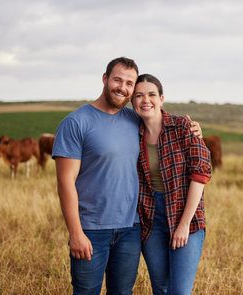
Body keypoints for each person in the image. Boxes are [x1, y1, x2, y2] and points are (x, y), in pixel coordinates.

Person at [52, 57, 201, 295]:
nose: (122, 87)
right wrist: (76, 233)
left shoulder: (134, 121)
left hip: (131, 228)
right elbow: (64, 182)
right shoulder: (75, 123)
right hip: (91, 229)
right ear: (105, 79)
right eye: (117, 80)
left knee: (122, 292)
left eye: (129, 83)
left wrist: (191, 127)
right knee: (86, 291)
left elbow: (159, 116)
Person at [132, 74, 212, 295]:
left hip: (185, 214)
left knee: (178, 291)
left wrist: (184, 223)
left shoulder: (182, 127)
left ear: (161, 98)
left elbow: (200, 173)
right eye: (139, 95)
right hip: (151, 218)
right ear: (132, 102)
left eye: (151, 94)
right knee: (161, 288)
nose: (145, 100)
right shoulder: (131, 132)